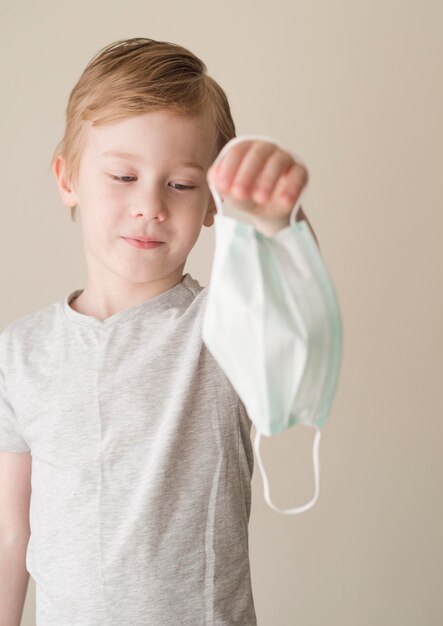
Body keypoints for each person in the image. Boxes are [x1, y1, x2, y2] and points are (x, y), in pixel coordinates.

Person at [0, 37, 317, 626]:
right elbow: (11, 533)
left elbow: (294, 310)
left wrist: (282, 219)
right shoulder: (20, 353)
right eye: (123, 175)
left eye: (180, 184)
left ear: (214, 203)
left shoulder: (220, 328)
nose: (149, 205)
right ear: (67, 179)